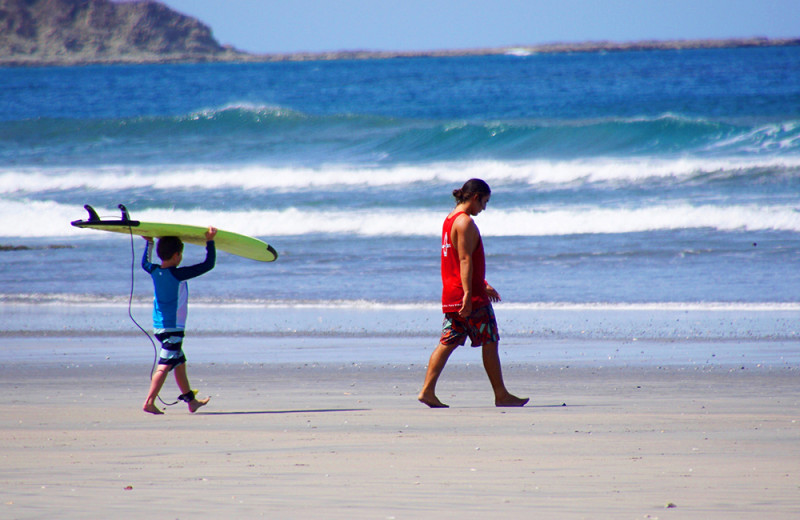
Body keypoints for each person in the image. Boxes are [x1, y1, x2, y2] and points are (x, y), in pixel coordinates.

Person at [418, 179, 528, 408]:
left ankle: (427, 391)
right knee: (490, 339)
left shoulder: (449, 220)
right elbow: (465, 259)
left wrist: (482, 283)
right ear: (476, 196)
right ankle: (501, 395)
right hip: (469, 297)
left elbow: (460, 260)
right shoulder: (465, 222)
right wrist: (470, 293)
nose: (484, 208)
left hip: (452, 294)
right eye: (485, 202)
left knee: (447, 342)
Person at [141, 227, 217, 414]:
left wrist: (149, 242)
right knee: (164, 366)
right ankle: (149, 402)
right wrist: (210, 242)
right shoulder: (178, 274)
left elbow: (145, 263)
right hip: (173, 329)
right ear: (176, 255)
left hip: (159, 328)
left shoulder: (154, 270)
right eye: (181, 254)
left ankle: (191, 402)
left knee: (179, 364)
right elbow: (208, 265)